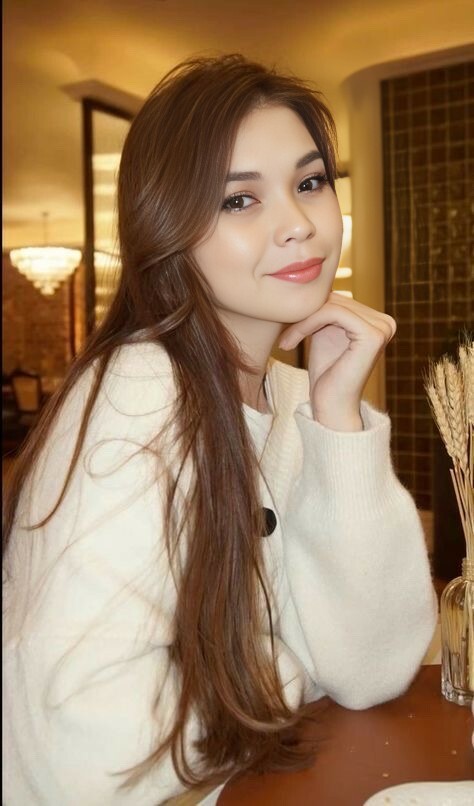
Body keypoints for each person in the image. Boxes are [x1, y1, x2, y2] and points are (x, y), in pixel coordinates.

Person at [2, 54, 438, 806]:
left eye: (310, 183)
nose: (299, 225)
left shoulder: (296, 396)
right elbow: (87, 744)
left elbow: (371, 670)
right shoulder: (140, 390)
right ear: (167, 227)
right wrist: (293, 665)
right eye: (240, 200)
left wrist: (338, 422)